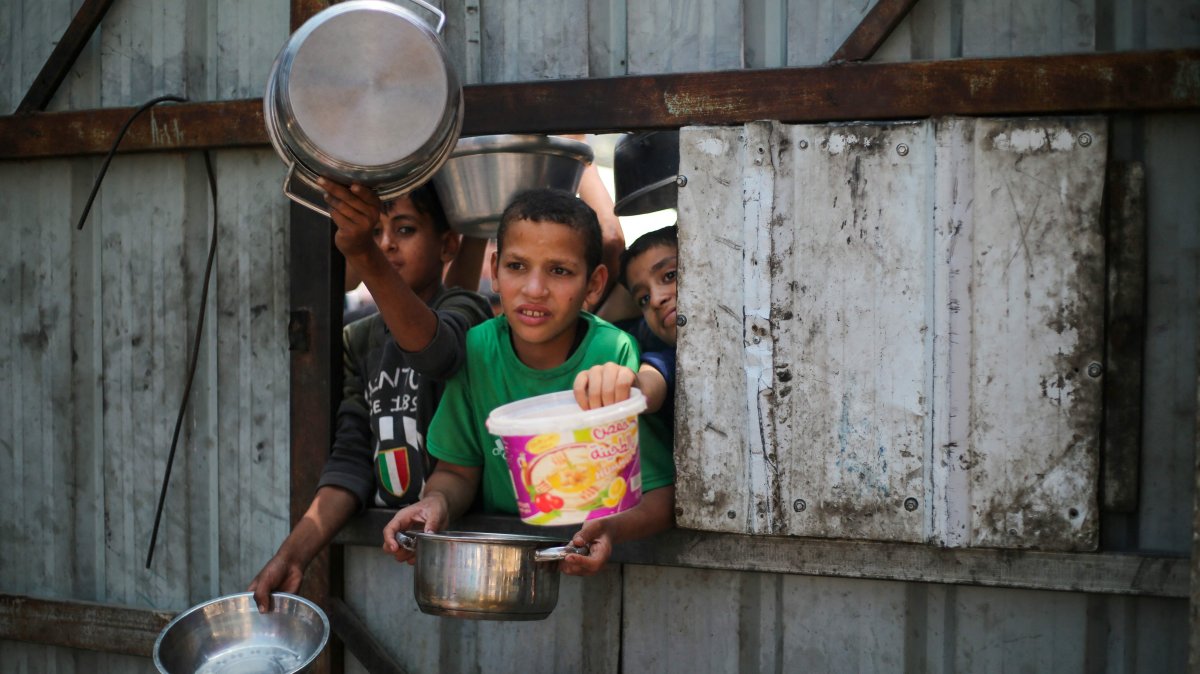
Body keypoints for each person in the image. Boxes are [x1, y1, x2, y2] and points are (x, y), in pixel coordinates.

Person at [380, 188, 676, 576]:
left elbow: (659, 493)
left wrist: (612, 528)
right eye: (517, 266)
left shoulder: (612, 352)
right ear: (496, 270)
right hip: (497, 569)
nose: (534, 289)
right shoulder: (479, 349)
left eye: (559, 271)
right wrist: (435, 503)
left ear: (594, 284)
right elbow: (457, 472)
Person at [249, 180, 491, 612]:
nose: (386, 245)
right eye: (376, 232)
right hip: (390, 552)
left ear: (448, 243)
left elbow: (435, 353)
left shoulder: (467, 309)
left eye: (404, 230)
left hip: (468, 551)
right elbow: (351, 461)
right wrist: (293, 553)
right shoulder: (358, 340)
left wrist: (362, 251)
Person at [574, 225, 678, 441]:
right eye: (644, 299)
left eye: (670, 276)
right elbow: (650, 383)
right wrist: (629, 385)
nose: (657, 299)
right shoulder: (667, 357)